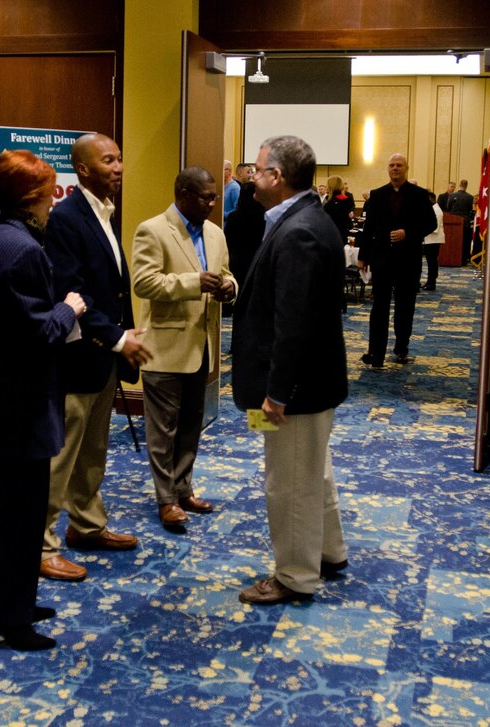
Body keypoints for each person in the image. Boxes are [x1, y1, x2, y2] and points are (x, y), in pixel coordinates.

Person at [0, 150, 87, 651]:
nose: (56, 201)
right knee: (20, 516)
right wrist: (69, 307)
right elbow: (38, 332)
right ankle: (9, 620)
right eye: (51, 192)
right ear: (33, 197)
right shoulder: (24, 249)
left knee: (13, 512)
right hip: (21, 406)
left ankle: (12, 601)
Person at [232, 135, 349, 605]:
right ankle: (329, 551)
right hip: (309, 383)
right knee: (313, 471)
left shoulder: (298, 230)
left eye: (257, 170)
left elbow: (294, 325)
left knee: (290, 483)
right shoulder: (304, 219)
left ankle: (296, 576)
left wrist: (277, 393)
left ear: (276, 177)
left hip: (293, 390)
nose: (250, 177)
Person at [39, 133, 152, 581]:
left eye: (120, 159)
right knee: (60, 456)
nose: (119, 167)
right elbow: (74, 290)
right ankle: (40, 545)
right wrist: (120, 339)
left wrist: (119, 339)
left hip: (101, 357)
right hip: (76, 358)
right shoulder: (66, 218)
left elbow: (111, 287)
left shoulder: (102, 213)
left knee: (93, 452)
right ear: (83, 169)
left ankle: (85, 526)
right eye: (109, 160)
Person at [132, 167, 237, 529]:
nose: (211, 203)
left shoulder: (215, 233)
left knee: (192, 425)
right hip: (164, 346)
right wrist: (194, 283)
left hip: (202, 345)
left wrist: (230, 288)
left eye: (213, 197)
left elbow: (226, 273)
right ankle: (165, 499)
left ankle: (183, 489)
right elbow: (144, 283)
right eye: (205, 197)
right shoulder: (152, 230)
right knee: (163, 431)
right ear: (182, 194)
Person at [358, 153, 437, 367]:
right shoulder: (377, 195)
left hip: (408, 261)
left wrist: (408, 233)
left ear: (406, 168)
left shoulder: (419, 195)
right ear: (388, 169)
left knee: (405, 307)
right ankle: (376, 353)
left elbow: (431, 224)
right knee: (379, 307)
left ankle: (401, 347)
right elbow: (368, 228)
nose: (395, 168)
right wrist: (362, 256)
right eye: (392, 165)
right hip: (382, 260)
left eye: (399, 165)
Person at [224, 182, 266, 310]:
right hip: (258, 259)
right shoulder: (265, 217)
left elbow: (227, 241)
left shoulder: (233, 217)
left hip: (237, 259)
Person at [421, 190, 444, 291]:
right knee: (430, 262)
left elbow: (435, 228)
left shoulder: (436, 211)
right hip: (429, 240)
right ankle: (430, 281)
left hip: (433, 240)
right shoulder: (432, 209)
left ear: (432, 199)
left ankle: (431, 282)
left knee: (432, 262)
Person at [447, 179, 474, 264]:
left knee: (454, 241)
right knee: (465, 241)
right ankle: (463, 259)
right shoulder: (470, 197)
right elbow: (470, 209)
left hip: (453, 222)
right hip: (465, 222)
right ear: (466, 186)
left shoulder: (452, 195)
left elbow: (448, 207)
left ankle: (453, 257)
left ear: (459, 185)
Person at [323, 175, 355, 239]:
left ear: (331, 186)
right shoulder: (346, 199)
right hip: (344, 233)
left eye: (327, 185)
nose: (326, 187)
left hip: (333, 235)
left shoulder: (331, 203)